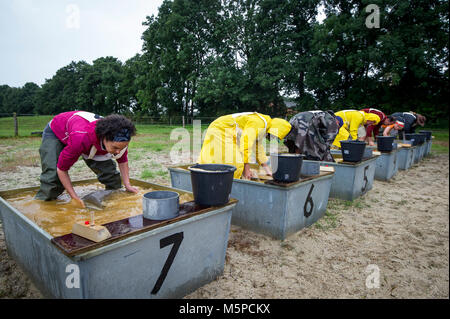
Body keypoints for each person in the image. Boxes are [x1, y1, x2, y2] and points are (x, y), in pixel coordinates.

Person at [35, 111, 138, 207]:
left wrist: (127, 185)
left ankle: (111, 198)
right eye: (115, 148)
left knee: (110, 174)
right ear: (104, 137)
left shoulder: (122, 138)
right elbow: (62, 169)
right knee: (52, 177)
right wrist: (74, 198)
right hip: (57, 131)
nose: (118, 151)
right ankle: (43, 204)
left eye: (122, 148)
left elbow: (122, 161)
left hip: (87, 136)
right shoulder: (80, 139)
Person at [197, 112, 292, 180]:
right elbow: (246, 144)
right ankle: (229, 186)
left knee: (229, 159)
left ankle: (215, 177)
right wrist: (247, 169)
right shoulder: (258, 123)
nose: (272, 139)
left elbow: (257, 147)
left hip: (228, 132)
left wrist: (266, 167)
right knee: (236, 163)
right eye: (274, 136)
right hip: (220, 129)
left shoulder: (264, 125)